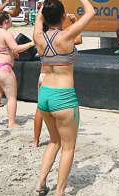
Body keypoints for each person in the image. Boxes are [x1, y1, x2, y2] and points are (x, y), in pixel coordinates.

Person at [34, 0, 95, 196]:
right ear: (62, 16)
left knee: (54, 141)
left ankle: (41, 182)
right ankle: (59, 193)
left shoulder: (38, 36)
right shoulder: (66, 35)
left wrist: (46, 0)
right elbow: (90, 13)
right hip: (63, 97)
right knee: (68, 148)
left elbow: (39, 16)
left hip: (45, 95)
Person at [31, 14, 83, 149]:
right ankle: (51, 140)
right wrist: (74, 21)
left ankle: (35, 140)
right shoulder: (62, 37)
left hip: (43, 76)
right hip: (57, 81)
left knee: (40, 109)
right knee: (65, 144)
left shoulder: (41, 36)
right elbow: (79, 39)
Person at [0, 11, 35, 128]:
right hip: (3, 67)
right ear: (6, 21)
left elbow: (1, 49)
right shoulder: (5, 33)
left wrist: (12, 54)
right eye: (10, 18)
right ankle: (12, 123)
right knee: (12, 97)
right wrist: (31, 44)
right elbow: (16, 48)